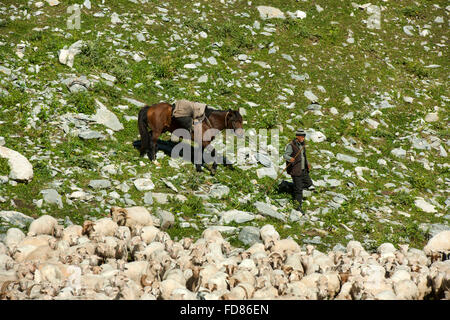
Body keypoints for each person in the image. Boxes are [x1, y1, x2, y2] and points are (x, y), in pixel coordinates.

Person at [283, 129, 314, 213]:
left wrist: (307, 163)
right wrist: (290, 159)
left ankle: (294, 187)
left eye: (304, 136)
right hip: (296, 170)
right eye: (302, 136)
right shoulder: (291, 145)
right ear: (297, 136)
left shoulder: (302, 145)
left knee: (309, 184)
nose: (303, 138)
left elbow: (304, 156)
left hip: (303, 169)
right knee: (299, 190)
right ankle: (298, 207)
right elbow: (285, 155)